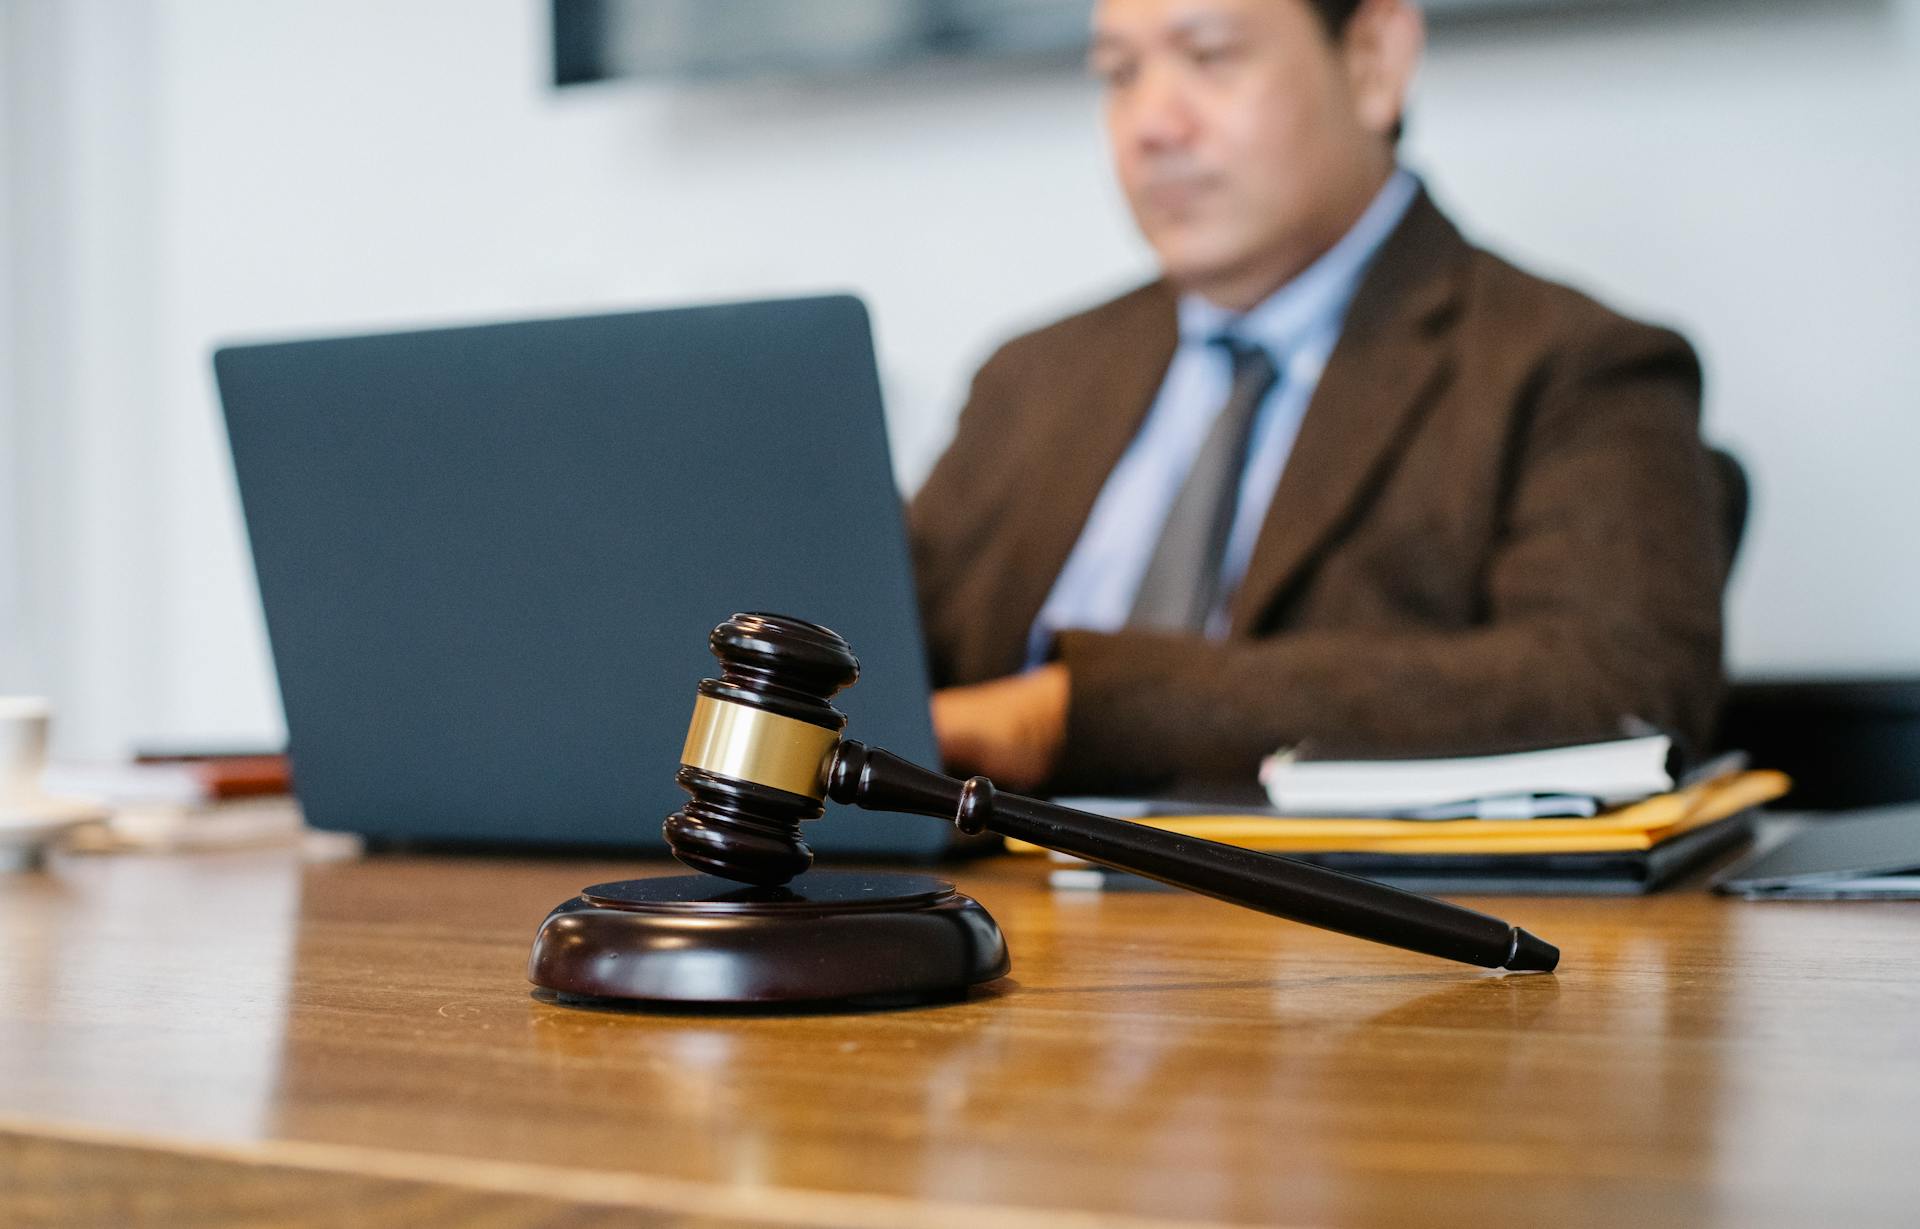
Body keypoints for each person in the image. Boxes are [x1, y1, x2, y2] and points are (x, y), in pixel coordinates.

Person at [910, 0, 1728, 795]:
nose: (1151, 125)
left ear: (1374, 62)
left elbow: (1613, 685)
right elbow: (873, 650)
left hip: (1328, 925)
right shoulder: (1030, 377)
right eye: (1119, 74)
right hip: (970, 912)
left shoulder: (1573, 364)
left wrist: (1076, 711)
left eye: (1212, 56)